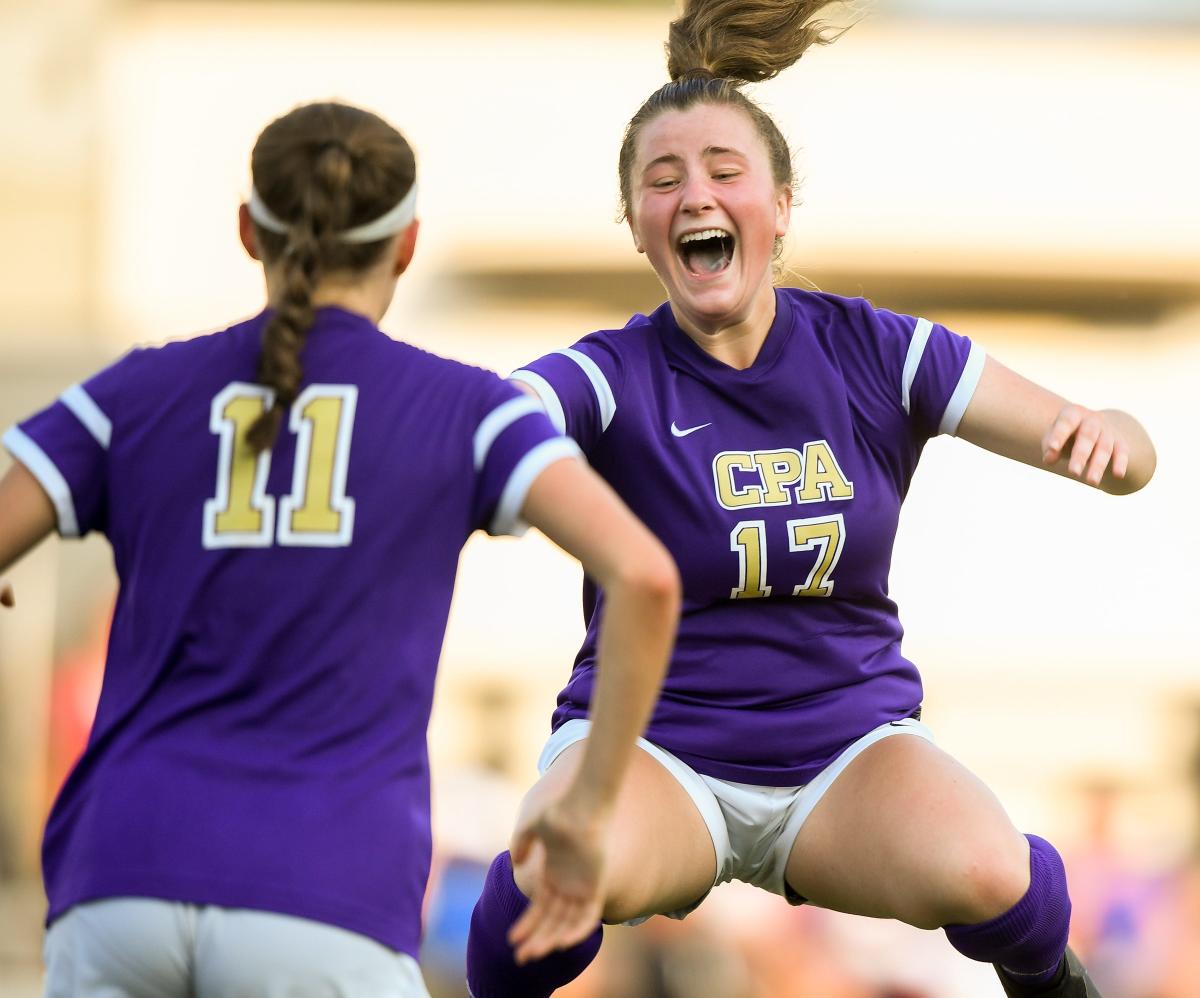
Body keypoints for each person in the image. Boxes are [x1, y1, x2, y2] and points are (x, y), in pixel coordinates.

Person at [464, 3, 1157, 997]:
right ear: (638, 227)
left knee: (997, 873)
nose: (694, 193)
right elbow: (505, 410)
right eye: (662, 181)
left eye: (724, 171)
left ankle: (1052, 976)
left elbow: (1107, 439)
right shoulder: (615, 372)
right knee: (542, 887)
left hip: (847, 751)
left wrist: (1119, 441)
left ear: (780, 206)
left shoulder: (875, 350)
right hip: (661, 752)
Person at [0, 100, 681, 997]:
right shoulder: (467, 411)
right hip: (324, 896)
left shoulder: (137, 391)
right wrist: (587, 813)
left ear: (250, 232)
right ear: (405, 244)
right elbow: (644, 575)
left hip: (118, 879)